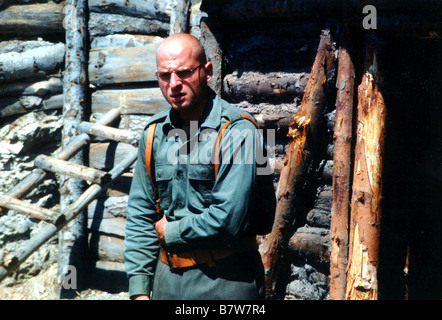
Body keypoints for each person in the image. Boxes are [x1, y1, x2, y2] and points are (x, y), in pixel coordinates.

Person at [124, 33, 274, 300]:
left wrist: (171, 231)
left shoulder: (239, 132)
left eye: (184, 73)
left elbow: (229, 219)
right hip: (166, 283)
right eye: (165, 76)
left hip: (225, 283)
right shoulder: (154, 134)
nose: (174, 85)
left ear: (207, 72)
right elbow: (140, 215)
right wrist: (139, 290)